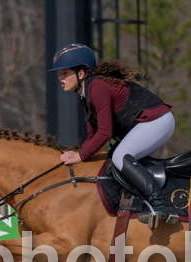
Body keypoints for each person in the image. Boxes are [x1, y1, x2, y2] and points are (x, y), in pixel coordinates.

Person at [49, 42, 177, 225]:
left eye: (64, 73)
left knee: (120, 156)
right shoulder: (85, 93)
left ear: (81, 73)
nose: (60, 78)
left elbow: (105, 132)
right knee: (113, 158)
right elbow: (92, 133)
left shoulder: (97, 87)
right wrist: (81, 153)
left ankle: (161, 204)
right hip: (146, 123)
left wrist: (80, 155)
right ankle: (139, 202)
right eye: (59, 74)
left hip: (156, 121)